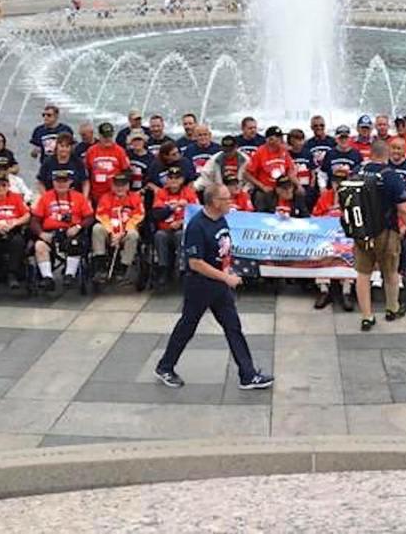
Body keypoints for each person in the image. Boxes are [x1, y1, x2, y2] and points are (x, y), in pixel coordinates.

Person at [154, 184, 274, 390]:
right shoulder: (196, 226)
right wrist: (225, 278)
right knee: (187, 326)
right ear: (214, 202)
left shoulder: (221, 220)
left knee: (233, 327)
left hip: (219, 284)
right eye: (226, 199)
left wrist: (227, 272)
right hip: (200, 285)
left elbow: (223, 251)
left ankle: (248, 374)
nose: (231, 202)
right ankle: (165, 366)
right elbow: (195, 263)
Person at [354, 141, 406, 331]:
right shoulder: (391, 176)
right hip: (386, 232)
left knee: (363, 274)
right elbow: (404, 210)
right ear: (387, 153)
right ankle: (392, 308)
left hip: (362, 232)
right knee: (390, 272)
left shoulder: (357, 172)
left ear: (371, 153)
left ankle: (366, 316)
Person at [31, 171, 95, 290]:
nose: (61, 184)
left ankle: (69, 275)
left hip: (72, 232)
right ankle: (47, 278)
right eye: (57, 181)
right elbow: (35, 220)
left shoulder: (79, 197)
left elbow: (90, 217)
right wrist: (41, 233)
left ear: (70, 182)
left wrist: (78, 227)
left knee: (75, 243)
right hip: (50, 233)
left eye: (64, 181)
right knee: (39, 246)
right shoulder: (45, 198)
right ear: (53, 182)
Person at [312, 165, 355, 311]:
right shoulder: (325, 196)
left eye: (342, 181)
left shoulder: (353, 196)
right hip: (327, 235)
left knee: (349, 253)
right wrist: (329, 212)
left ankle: (346, 291)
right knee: (321, 251)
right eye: (336, 181)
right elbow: (315, 217)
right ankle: (324, 290)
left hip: (346, 236)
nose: (339, 184)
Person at [91, 172, 144, 285]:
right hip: (110, 233)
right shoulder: (105, 198)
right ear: (112, 186)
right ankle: (101, 266)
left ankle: (122, 268)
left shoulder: (135, 198)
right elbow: (101, 215)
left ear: (128, 186)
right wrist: (111, 232)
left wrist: (123, 232)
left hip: (126, 232)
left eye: (123, 185)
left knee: (133, 235)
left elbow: (139, 216)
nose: (120, 188)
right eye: (117, 185)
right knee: (97, 228)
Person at [152, 167, 199, 286]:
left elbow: (197, 214)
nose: (173, 181)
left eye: (177, 178)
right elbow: (157, 214)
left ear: (182, 180)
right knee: (159, 236)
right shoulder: (161, 193)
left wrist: (182, 222)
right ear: (166, 180)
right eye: (171, 178)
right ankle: (163, 269)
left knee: (181, 236)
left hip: (182, 228)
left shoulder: (189, 192)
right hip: (165, 228)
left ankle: (181, 268)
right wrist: (171, 208)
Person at [246, 126, 296, 211]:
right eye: (277, 137)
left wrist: (290, 183)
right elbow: (247, 173)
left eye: (280, 137)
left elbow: (291, 168)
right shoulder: (260, 152)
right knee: (260, 196)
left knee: (297, 192)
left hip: (282, 187)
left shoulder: (284, 151)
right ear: (269, 139)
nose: (281, 139)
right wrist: (262, 186)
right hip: (266, 188)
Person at [85, 122, 130, 205]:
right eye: (105, 136)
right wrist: (87, 197)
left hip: (115, 195)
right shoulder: (91, 151)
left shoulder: (120, 151)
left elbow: (126, 172)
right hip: (96, 196)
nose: (107, 139)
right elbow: (87, 174)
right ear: (99, 136)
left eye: (110, 136)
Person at [287, 129, 317, 206]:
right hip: (292, 185)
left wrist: (311, 185)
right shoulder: (287, 154)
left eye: (301, 140)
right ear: (291, 141)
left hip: (306, 183)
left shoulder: (308, 153)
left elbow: (312, 171)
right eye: (297, 140)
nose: (299, 143)